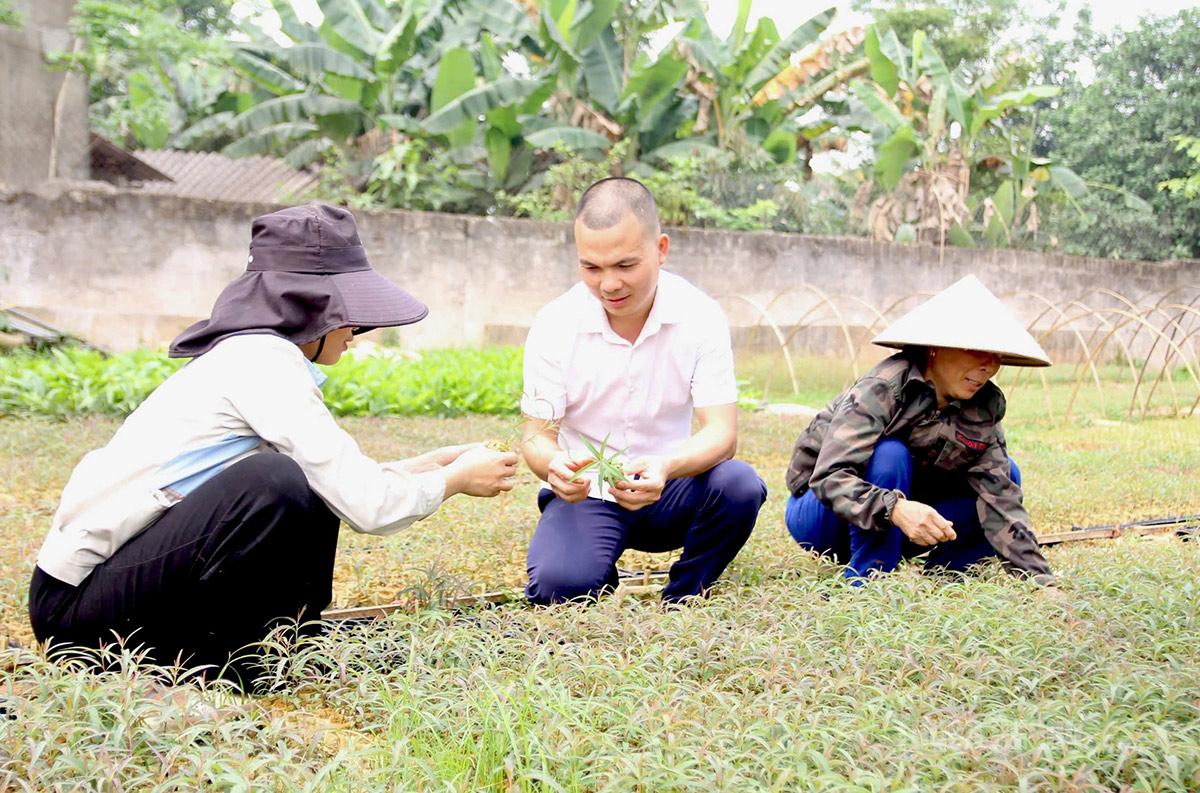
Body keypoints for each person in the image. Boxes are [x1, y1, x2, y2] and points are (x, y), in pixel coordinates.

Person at [28, 203, 518, 682]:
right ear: (309, 307)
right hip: (78, 616)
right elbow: (370, 507)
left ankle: (279, 651)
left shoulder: (253, 356)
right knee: (278, 480)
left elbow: (338, 480)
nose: (356, 331)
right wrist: (454, 480)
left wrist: (427, 465)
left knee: (302, 482)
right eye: (347, 314)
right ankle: (251, 659)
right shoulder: (262, 362)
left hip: (106, 590)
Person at [520, 177, 767, 605]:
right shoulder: (555, 323)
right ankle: (593, 565)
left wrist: (666, 466)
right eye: (591, 268)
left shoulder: (700, 316)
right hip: (589, 494)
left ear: (661, 250)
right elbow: (537, 436)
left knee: (739, 484)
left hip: (671, 487)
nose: (609, 285)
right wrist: (556, 466)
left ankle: (688, 591)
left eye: (625, 265)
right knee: (558, 588)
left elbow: (721, 433)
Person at [784, 275, 1056, 586]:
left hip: (903, 522)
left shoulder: (983, 408)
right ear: (935, 348)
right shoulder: (884, 388)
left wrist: (1041, 584)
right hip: (823, 516)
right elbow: (828, 477)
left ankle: (948, 577)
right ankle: (869, 579)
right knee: (890, 454)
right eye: (976, 350)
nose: (987, 366)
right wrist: (896, 508)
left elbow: (1001, 499)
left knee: (1009, 472)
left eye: (995, 356)